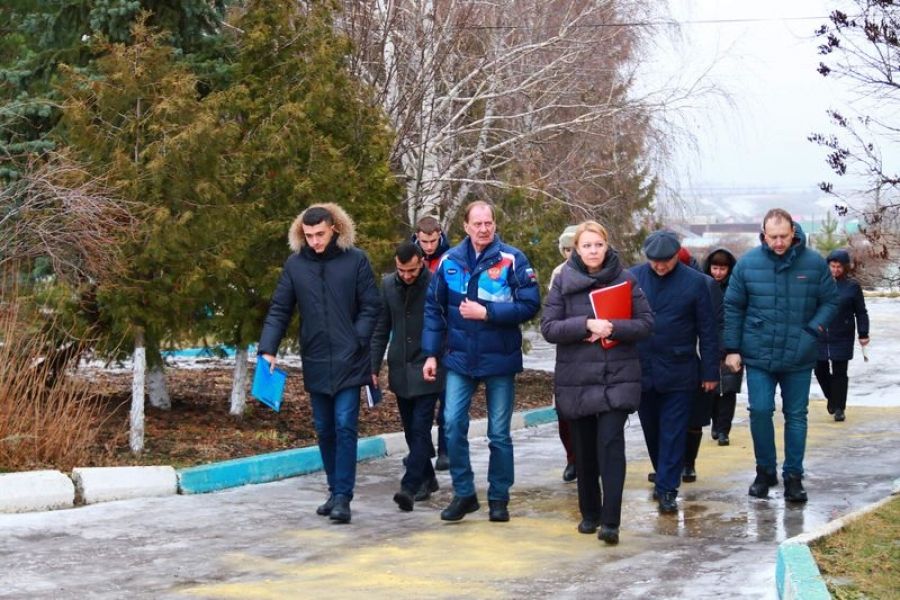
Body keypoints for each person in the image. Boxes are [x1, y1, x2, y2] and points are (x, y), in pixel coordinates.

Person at [258, 203, 381, 524]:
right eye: (309, 235)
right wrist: (267, 349)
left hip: (350, 360)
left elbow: (371, 307)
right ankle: (333, 489)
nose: (315, 240)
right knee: (325, 429)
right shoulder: (296, 265)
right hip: (315, 358)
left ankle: (343, 496)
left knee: (344, 426)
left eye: (320, 234)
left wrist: (357, 339)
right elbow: (279, 309)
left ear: (335, 229)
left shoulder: (356, 261)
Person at [422, 200, 541, 523]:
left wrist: (488, 313)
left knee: (499, 433)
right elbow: (434, 310)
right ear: (466, 226)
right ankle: (464, 493)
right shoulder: (449, 261)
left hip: (500, 358)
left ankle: (499, 497)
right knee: (452, 425)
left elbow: (530, 304)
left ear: (494, 225)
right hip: (459, 358)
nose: (484, 229)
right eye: (478, 224)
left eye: (488, 223)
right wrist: (431, 353)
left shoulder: (511, 260)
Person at [541, 221, 654, 544]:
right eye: (586, 246)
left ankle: (611, 521)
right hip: (577, 379)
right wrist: (585, 324)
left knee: (610, 444)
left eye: (598, 245)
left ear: (606, 246)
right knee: (585, 451)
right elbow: (549, 328)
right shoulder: (563, 281)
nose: (593, 251)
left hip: (617, 377)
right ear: (576, 249)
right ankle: (590, 513)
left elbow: (646, 324)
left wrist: (612, 328)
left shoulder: (626, 279)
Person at [724, 209, 838, 503]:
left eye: (783, 236)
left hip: (799, 354)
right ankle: (765, 471)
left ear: (793, 232)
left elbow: (830, 301)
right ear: (763, 235)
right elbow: (733, 307)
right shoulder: (748, 264)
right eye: (772, 237)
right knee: (760, 410)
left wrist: (812, 331)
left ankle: (793, 476)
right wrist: (732, 349)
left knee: (796, 415)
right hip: (759, 353)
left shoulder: (813, 263)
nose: (778, 242)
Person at [630, 230, 719, 513]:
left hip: (680, 370)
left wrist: (709, 372)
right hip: (642, 369)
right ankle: (663, 474)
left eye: (665, 260)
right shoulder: (633, 278)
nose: (659, 265)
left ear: (676, 255)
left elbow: (708, 331)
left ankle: (668, 488)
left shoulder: (696, 283)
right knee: (652, 430)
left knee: (674, 431)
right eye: (654, 261)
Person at [371, 242, 443, 511]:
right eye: (402, 270)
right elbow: (381, 327)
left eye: (412, 270)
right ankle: (429, 477)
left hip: (428, 364)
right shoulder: (389, 284)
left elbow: (444, 322)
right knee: (410, 430)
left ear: (421, 262)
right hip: (400, 367)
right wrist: (373, 367)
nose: (407, 275)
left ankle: (410, 485)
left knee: (421, 427)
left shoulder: (436, 282)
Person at [676, 246, 722, 484]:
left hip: (698, 360)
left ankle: (688, 464)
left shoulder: (706, 285)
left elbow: (713, 330)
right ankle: (667, 466)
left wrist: (711, 367)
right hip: (670, 362)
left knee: (694, 417)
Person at [413, 215, 451, 471]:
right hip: (418, 334)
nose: (428, 246)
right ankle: (422, 448)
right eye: (424, 241)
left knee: (447, 398)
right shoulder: (410, 258)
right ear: (417, 236)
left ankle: (446, 449)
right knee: (421, 398)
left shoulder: (450, 258)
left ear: (440, 235)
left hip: (447, 335)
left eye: (432, 240)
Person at [814, 248, 869, 423]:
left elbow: (861, 312)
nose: (835, 270)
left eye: (839, 266)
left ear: (845, 267)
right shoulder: (818, 284)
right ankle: (832, 398)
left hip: (842, 334)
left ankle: (839, 408)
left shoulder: (852, 287)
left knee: (840, 372)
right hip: (820, 334)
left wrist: (863, 332)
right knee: (819, 368)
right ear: (827, 265)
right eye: (833, 266)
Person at [549, 225, 579, 483]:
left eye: (574, 248)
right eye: (566, 249)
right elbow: (552, 314)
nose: (570, 254)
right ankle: (572, 458)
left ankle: (593, 459)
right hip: (568, 349)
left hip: (595, 347)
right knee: (565, 411)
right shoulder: (558, 274)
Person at [704, 248, 741, 446]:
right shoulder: (702, 285)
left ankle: (724, 429)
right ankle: (714, 422)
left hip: (731, 344)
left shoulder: (735, 288)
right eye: (715, 268)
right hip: (708, 343)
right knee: (710, 387)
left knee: (729, 389)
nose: (718, 272)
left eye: (722, 268)